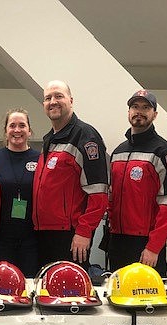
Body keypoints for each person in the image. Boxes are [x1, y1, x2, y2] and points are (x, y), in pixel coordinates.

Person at [32, 80, 109, 268]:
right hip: (44, 233)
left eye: (59, 96)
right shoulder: (49, 139)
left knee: (69, 295)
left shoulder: (86, 136)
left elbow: (99, 194)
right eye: (48, 98)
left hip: (70, 235)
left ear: (71, 100)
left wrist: (84, 232)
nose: (53, 101)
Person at [108, 89, 167, 277]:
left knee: (148, 300)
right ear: (128, 112)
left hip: (145, 244)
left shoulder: (164, 153)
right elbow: (111, 196)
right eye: (135, 106)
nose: (139, 111)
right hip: (117, 240)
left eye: (146, 107)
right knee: (117, 296)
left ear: (154, 114)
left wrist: (154, 246)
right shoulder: (118, 152)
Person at [0, 108, 40, 277]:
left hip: (32, 239)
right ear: (5, 131)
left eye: (22, 125)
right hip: (2, 239)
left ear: (29, 130)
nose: (17, 130)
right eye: (12, 125)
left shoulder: (41, 159)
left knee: (30, 285)